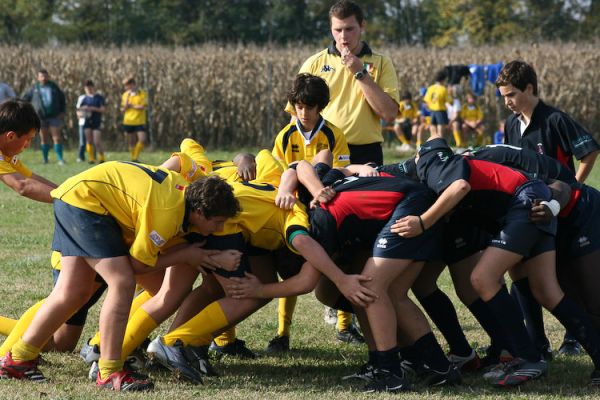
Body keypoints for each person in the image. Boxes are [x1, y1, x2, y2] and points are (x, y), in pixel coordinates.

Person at [0, 163, 241, 391]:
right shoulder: (168, 211)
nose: (219, 229)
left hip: (78, 197)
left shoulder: (182, 199)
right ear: (199, 211)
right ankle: (109, 372)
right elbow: (136, 266)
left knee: (74, 292)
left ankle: (19, 359)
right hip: (86, 203)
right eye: (217, 222)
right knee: (122, 282)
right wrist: (187, 255)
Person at [394, 138, 600, 387]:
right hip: (532, 201)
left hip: (527, 203)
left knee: (482, 278)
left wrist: (423, 222)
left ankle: (528, 357)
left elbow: (458, 187)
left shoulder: (432, 163)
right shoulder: (460, 163)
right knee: (547, 290)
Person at [496, 60, 600, 357]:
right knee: (523, 271)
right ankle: (536, 342)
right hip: (529, 212)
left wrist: (574, 187)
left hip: (562, 208)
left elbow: (589, 151)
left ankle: (572, 338)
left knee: (568, 276)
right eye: (503, 96)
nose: (507, 102)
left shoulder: (555, 119)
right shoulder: (511, 124)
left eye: (512, 95)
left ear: (529, 88)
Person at [268, 73, 356, 353]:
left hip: (327, 202)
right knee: (290, 269)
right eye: (299, 106)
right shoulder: (285, 136)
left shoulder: (333, 134)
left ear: (321, 107)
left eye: (310, 107)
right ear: (293, 105)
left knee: (342, 261)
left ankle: (344, 325)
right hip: (295, 207)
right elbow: (280, 175)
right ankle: (282, 334)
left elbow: (341, 172)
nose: (303, 113)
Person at [286, 0, 399, 166]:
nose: (343, 36)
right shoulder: (314, 63)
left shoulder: (382, 63)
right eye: (337, 30)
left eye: (349, 29)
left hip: (366, 152)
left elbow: (389, 114)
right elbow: (296, 115)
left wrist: (360, 73)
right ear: (331, 29)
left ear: (362, 26)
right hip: (324, 151)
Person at [0, 99, 56, 203]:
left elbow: (29, 177)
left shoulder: (7, 155)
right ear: (11, 136)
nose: (28, 145)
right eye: (28, 139)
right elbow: (22, 185)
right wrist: (68, 200)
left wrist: (65, 192)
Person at [21, 69, 66, 165]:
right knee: (44, 138)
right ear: (38, 78)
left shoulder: (54, 87)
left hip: (54, 116)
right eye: (41, 76)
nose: (44, 78)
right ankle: (45, 159)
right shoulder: (34, 88)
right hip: (40, 117)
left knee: (56, 137)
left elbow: (62, 100)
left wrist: (62, 111)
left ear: (48, 76)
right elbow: (24, 100)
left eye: (45, 76)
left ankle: (60, 159)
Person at [76, 80, 106, 164]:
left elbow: (103, 109)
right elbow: (79, 110)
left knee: (97, 141)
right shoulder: (84, 98)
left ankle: (102, 157)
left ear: (93, 87)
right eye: (87, 88)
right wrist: (81, 114)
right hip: (87, 121)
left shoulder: (99, 98)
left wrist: (93, 109)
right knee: (89, 141)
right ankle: (91, 158)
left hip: (96, 121)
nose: (89, 90)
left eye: (90, 88)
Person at [121, 77, 148, 162]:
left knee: (142, 139)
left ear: (133, 84)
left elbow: (142, 106)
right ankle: (133, 158)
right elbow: (123, 108)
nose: (126, 88)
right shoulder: (125, 95)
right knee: (131, 141)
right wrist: (126, 104)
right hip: (128, 121)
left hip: (140, 121)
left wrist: (131, 106)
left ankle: (135, 156)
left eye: (127, 86)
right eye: (125, 86)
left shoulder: (142, 94)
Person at [423, 69, 448, 141]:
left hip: (432, 111)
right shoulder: (443, 89)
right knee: (440, 131)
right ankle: (440, 146)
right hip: (440, 111)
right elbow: (449, 101)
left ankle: (433, 145)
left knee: (433, 129)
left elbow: (426, 101)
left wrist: (430, 107)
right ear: (443, 79)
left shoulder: (430, 88)